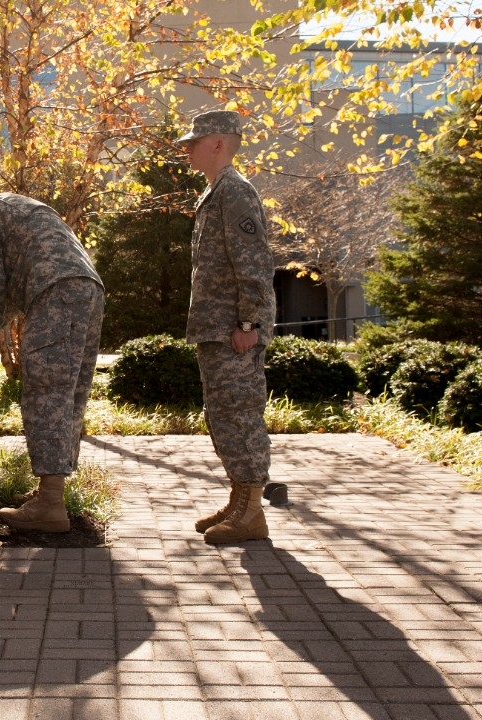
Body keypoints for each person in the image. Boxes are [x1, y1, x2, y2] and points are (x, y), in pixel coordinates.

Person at [0, 178, 104, 533]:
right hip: (88, 288)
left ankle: (50, 505)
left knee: (44, 393)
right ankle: (53, 492)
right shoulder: (21, 205)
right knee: (69, 394)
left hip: (54, 292)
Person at [177, 109, 277, 545]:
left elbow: (253, 262)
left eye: (193, 142)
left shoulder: (235, 191)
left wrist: (249, 322)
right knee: (222, 416)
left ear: (218, 143)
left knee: (239, 416)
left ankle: (251, 512)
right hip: (216, 327)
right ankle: (240, 499)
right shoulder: (216, 192)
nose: (186, 149)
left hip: (233, 328)